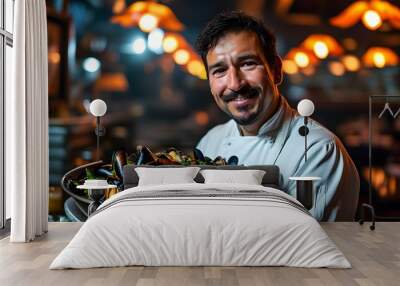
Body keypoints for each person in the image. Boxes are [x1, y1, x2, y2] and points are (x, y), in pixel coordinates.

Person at [195, 11, 360, 221]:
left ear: (276, 70)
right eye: (219, 70)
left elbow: (306, 244)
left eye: (248, 63)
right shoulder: (210, 142)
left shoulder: (318, 150)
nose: (235, 84)